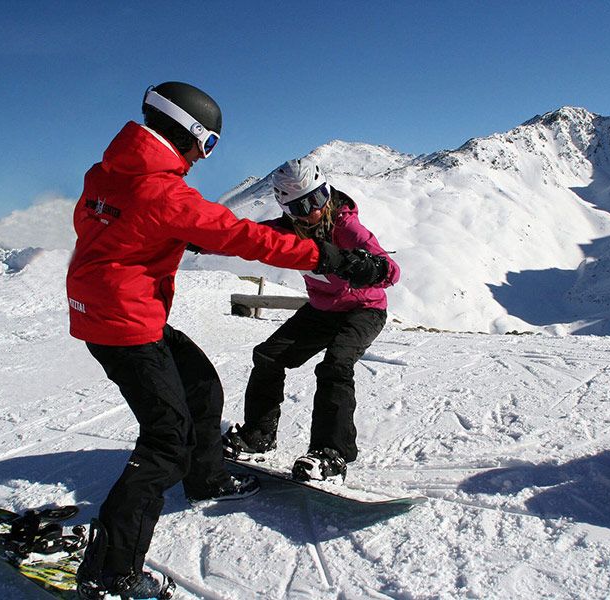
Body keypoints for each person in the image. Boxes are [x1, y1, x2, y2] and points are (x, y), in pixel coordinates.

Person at [67, 83, 382, 600]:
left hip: (117, 310)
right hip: (123, 322)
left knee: (201, 387)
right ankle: (110, 574)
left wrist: (159, 237)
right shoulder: (165, 191)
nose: (205, 155)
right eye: (209, 143)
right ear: (192, 134)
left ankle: (207, 476)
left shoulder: (108, 173)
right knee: (165, 443)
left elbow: (104, 222)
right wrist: (329, 258)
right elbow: (245, 238)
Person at [222, 157, 399, 482]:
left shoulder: (345, 226)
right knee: (268, 356)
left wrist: (366, 267)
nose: (314, 211)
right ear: (287, 209)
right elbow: (241, 237)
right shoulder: (285, 232)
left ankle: (331, 454)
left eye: (318, 198)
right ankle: (259, 436)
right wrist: (195, 239)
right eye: (302, 206)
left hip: (364, 309)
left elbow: (390, 270)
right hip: (322, 310)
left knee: (336, 364)